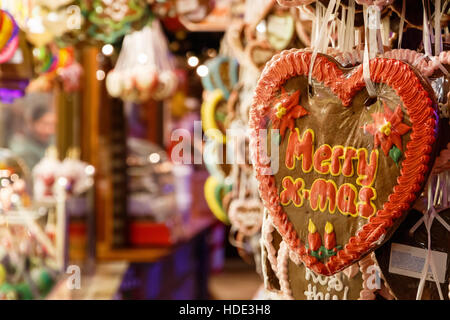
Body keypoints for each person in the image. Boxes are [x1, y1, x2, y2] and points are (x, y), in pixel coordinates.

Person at [9, 104, 56, 170]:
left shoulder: (53, 141)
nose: (49, 130)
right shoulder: (21, 146)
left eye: (53, 124)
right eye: (45, 124)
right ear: (32, 123)